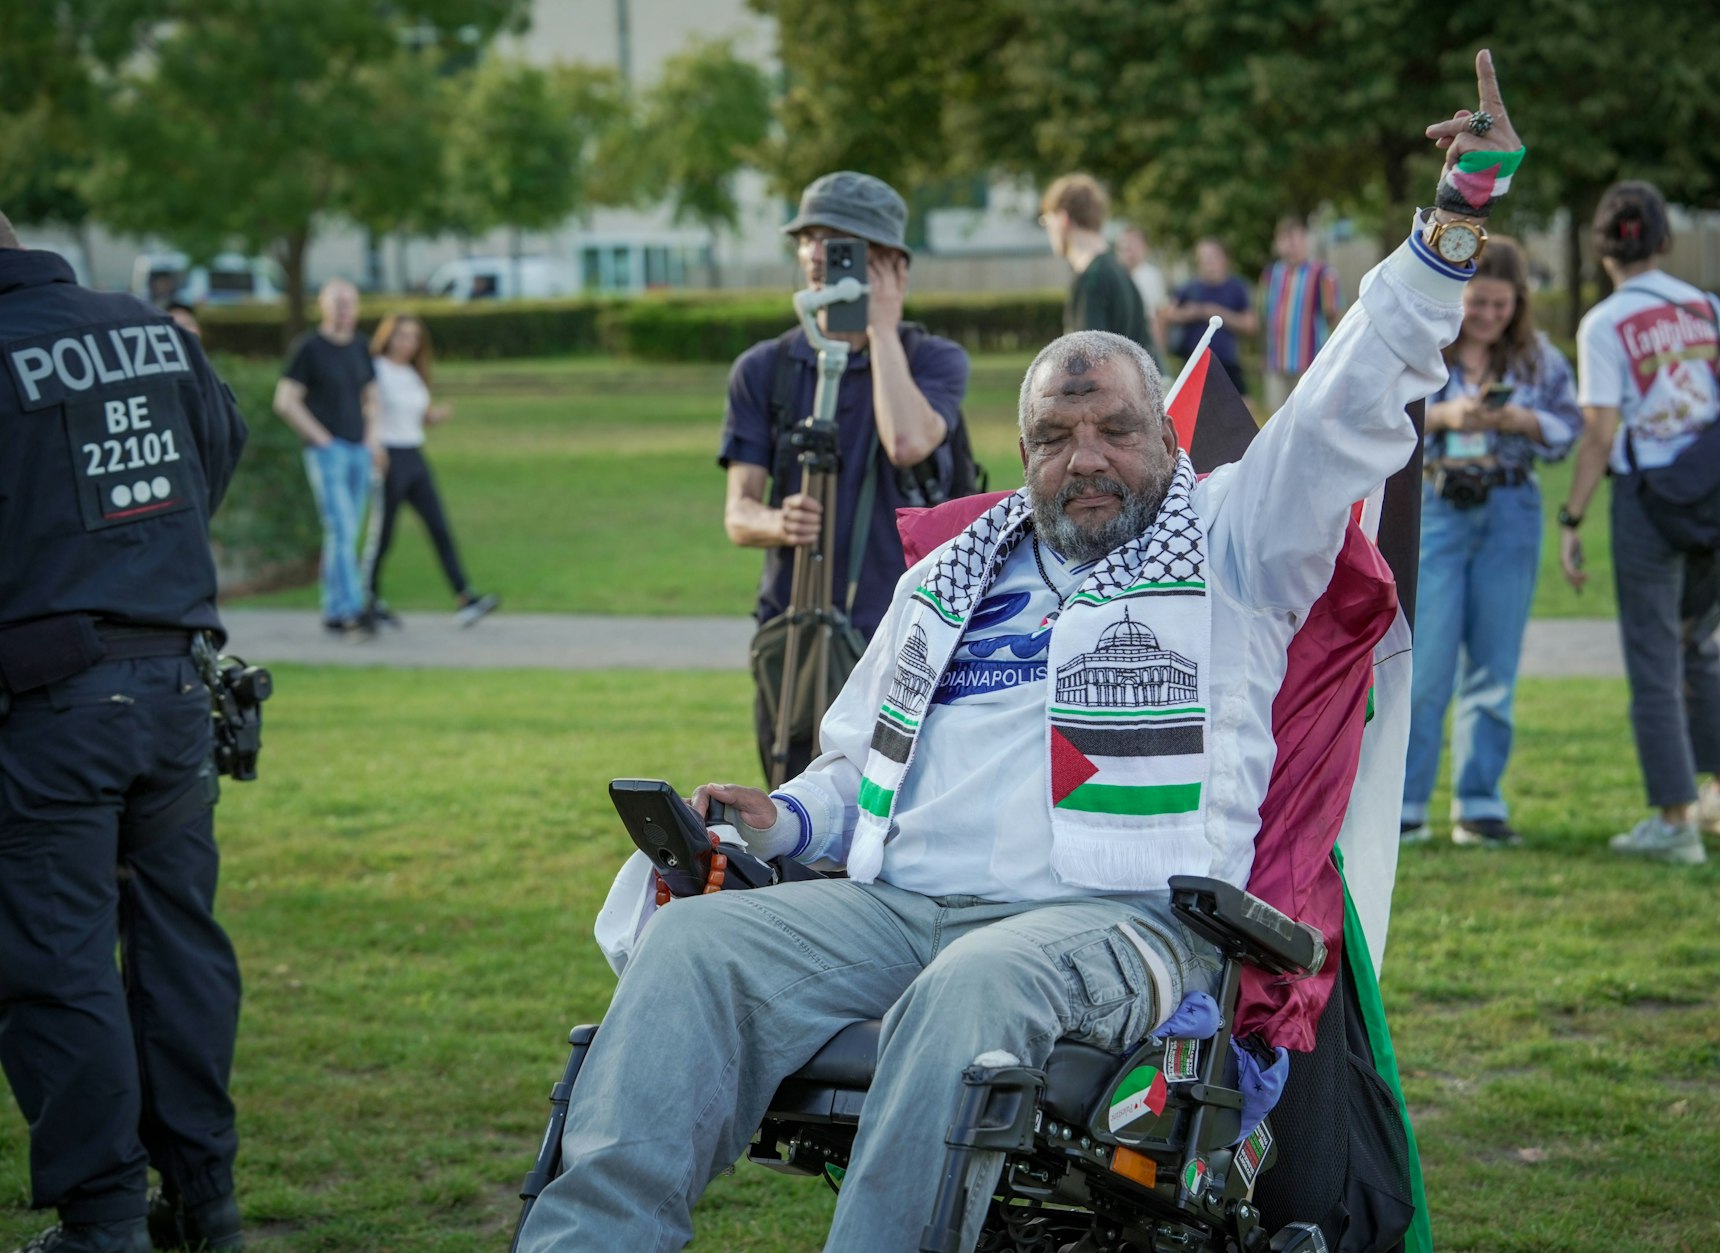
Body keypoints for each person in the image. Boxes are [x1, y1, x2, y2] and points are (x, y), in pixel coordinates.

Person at [516, 50, 1520, 1252]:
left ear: (1166, 442)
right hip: (902, 905)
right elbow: (856, 767)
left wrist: (1453, 215)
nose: (1085, 455)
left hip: (1114, 922)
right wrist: (780, 819)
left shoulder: (1234, 538)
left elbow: (1352, 394)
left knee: (973, 983)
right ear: (1024, 448)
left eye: (1115, 428)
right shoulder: (952, 576)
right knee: (688, 942)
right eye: (1054, 433)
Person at [0, 210, 248, 1253]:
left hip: (49, 704)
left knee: (58, 963)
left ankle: (103, 1222)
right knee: (179, 948)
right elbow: (214, 454)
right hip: (177, 686)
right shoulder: (152, 330)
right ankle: (204, 1200)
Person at [720, 171, 970, 777]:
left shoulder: (932, 360)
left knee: (890, 804)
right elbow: (738, 514)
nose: (817, 256)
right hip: (796, 638)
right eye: (808, 239)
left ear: (892, 267)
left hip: (904, 635)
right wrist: (779, 523)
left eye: (840, 245)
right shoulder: (765, 370)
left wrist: (880, 328)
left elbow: (907, 442)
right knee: (790, 803)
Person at [1559, 181, 1720, 865]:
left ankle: (1676, 821)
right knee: (1697, 641)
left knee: (1653, 656)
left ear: (1601, 248)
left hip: (1651, 499)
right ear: (1666, 240)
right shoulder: (1705, 306)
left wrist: (1573, 515)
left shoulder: (1604, 322)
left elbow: (1599, 432)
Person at [1400, 239, 1582, 849]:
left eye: (1501, 305)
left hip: (1510, 509)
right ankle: (1406, 806)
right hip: (1439, 507)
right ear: (1458, 296)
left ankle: (1479, 805)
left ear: (1518, 303)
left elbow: (1569, 427)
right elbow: (1380, 416)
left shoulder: (1538, 359)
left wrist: (1522, 421)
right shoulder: (1424, 349)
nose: (1488, 316)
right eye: (1478, 302)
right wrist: (1445, 417)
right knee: (1426, 669)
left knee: (1494, 667)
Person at [360, 313, 500, 628]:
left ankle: (464, 596)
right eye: (401, 336)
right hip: (389, 455)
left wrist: (434, 417)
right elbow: (369, 411)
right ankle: (367, 598)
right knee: (383, 534)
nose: (407, 343)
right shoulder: (376, 370)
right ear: (388, 337)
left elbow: (416, 415)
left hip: (415, 454)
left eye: (413, 337)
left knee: (439, 526)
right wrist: (375, 447)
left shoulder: (412, 373)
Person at [272, 279, 380, 641]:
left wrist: (371, 436)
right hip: (328, 454)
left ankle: (333, 609)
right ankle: (353, 610)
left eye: (350, 302)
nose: (344, 309)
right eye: (337, 302)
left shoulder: (360, 346)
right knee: (342, 529)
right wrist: (322, 439)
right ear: (323, 306)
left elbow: (371, 395)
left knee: (344, 534)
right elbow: (285, 401)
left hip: (359, 450)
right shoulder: (309, 348)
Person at [1038, 173, 1158, 359]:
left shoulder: (1092, 279)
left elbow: (1088, 363)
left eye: (1047, 220)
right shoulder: (1119, 270)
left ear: (1063, 219)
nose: (1048, 230)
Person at [1260, 217, 1342, 415]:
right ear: (1277, 243)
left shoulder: (1322, 274)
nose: (1292, 245)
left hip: (1310, 361)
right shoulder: (1271, 274)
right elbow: (1265, 317)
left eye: (1296, 239)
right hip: (1277, 361)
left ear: (1305, 241)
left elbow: (1333, 316)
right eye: (1286, 239)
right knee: (1277, 417)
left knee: (1306, 415)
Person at [1168, 238, 1260, 395]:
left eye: (1213, 257)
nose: (1208, 262)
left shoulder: (1237, 288)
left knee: (1240, 404)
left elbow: (1251, 325)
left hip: (1227, 362)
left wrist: (1218, 313)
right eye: (1203, 258)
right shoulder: (1189, 287)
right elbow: (1168, 315)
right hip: (1193, 361)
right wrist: (1191, 313)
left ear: (1225, 259)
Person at [1116, 225, 1170, 357]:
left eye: (1133, 245)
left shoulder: (1153, 276)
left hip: (1145, 339)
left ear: (1144, 247)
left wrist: (1160, 347)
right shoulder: (1113, 276)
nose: (1129, 251)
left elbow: (1160, 314)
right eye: (1125, 247)